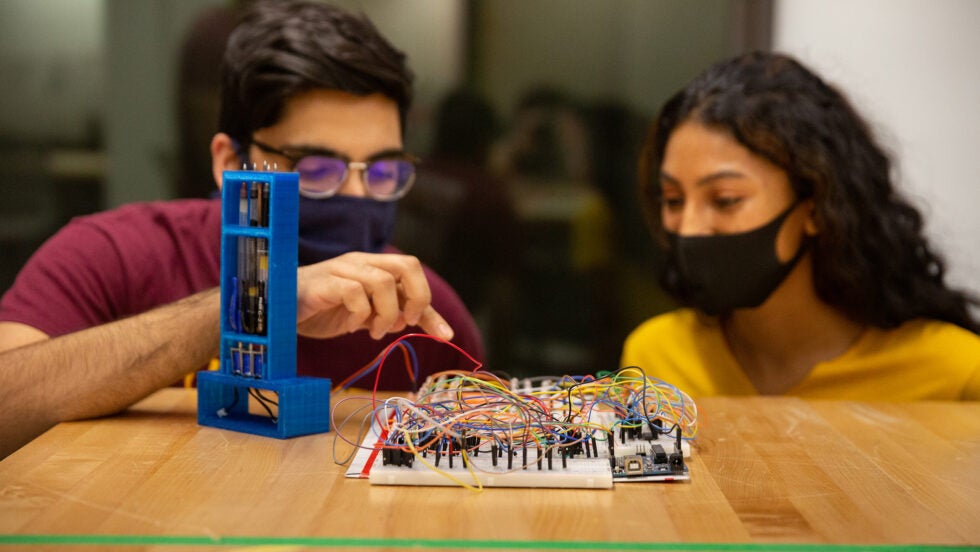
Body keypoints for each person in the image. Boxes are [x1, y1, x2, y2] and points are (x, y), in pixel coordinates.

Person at [0, 0, 484, 459]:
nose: (357, 196)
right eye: (316, 168)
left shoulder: (427, 318)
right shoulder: (113, 257)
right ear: (231, 162)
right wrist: (251, 307)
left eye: (381, 172)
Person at [622, 51, 980, 400]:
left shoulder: (956, 375)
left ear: (816, 207)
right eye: (673, 200)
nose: (689, 227)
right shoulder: (655, 361)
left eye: (725, 199)